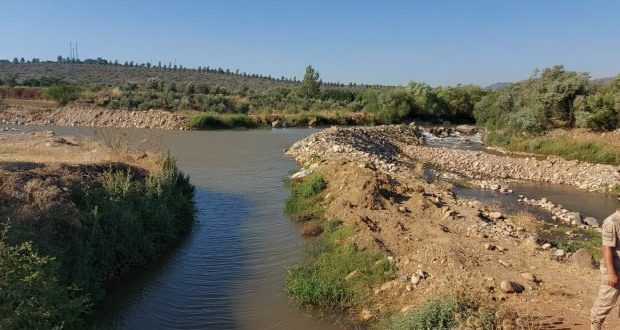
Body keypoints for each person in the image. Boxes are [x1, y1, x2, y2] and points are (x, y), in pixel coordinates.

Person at [591, 208, 620, 330]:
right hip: (614, 270)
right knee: (603, 307)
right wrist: (611, 273)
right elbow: (606, 250)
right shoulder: (611, 222)